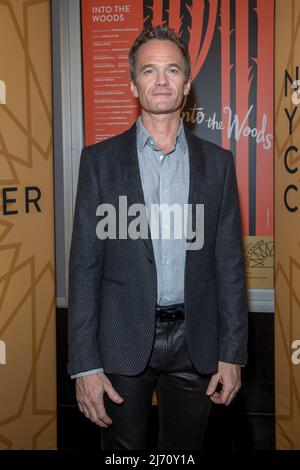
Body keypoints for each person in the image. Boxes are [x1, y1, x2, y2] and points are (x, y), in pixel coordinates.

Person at [68, 25, 248, 450]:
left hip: (197, 340)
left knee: (183, 455)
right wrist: (84, 365)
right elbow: (84, 266)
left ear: (187, 84)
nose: (161, 80)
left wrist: (233, 352)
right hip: (121, 338)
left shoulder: (218, 165)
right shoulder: (99, 162)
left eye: (172, 70)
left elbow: (229, 263)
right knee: (123, 457)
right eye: (149, 71)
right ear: (134, 84)